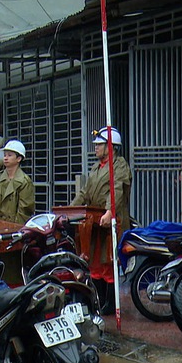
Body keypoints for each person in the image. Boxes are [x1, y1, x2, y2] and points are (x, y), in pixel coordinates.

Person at [70, 127, 132, 314]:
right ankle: (99, 300)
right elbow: (85, 192)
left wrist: (109, 211)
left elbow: (117, 190)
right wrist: (71, 210)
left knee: (108, 262)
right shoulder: (96, 168)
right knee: (94, 263)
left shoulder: (119, 165)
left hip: (111, 220)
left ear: (111, 147)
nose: (95, 148)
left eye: (100, 145)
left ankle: (111, 303)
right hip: (94, 222)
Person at [0, 140, 35, 224]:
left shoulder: (24, 182)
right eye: (4, 155)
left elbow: (24, 211)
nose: (5, 158)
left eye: (9, 155)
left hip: (15, 230)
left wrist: (14, 229)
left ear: (19, 158)